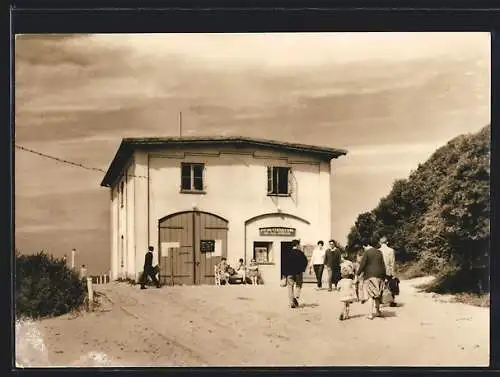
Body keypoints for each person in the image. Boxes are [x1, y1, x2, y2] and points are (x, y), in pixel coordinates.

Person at [356, 241, 386, 319]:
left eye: (364, 247)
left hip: (370, 276)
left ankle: (370, 314)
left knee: (371, 295)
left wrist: (357, 274)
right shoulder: (379, 252)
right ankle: (378, 311)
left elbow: (362, 264)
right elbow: (383, 264)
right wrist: (384, 276)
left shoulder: (367, 253)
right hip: (380, 275)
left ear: (365, 245)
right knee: (377, 295)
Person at [282, 239, 308, 308]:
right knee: (298, 285)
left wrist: (284, 274)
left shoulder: (288, 253)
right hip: (298, 272)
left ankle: (291, 302)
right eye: (299, 245)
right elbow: (305, 262)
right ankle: (296, 297)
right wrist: (302, 269)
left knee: (290, 287)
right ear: (297, 245)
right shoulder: (301, 253)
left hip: (289, 273)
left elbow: (284, 264)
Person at [379, 236, 398, 307]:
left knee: (381, 285)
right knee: (391, 285)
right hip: (388, 270)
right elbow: (392, 263)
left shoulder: (378, 251)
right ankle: (391, 301)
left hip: (380, 271)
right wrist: (393, 273)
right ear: (387, 242)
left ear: (380, 243)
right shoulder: (391, 250)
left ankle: (380, 301)